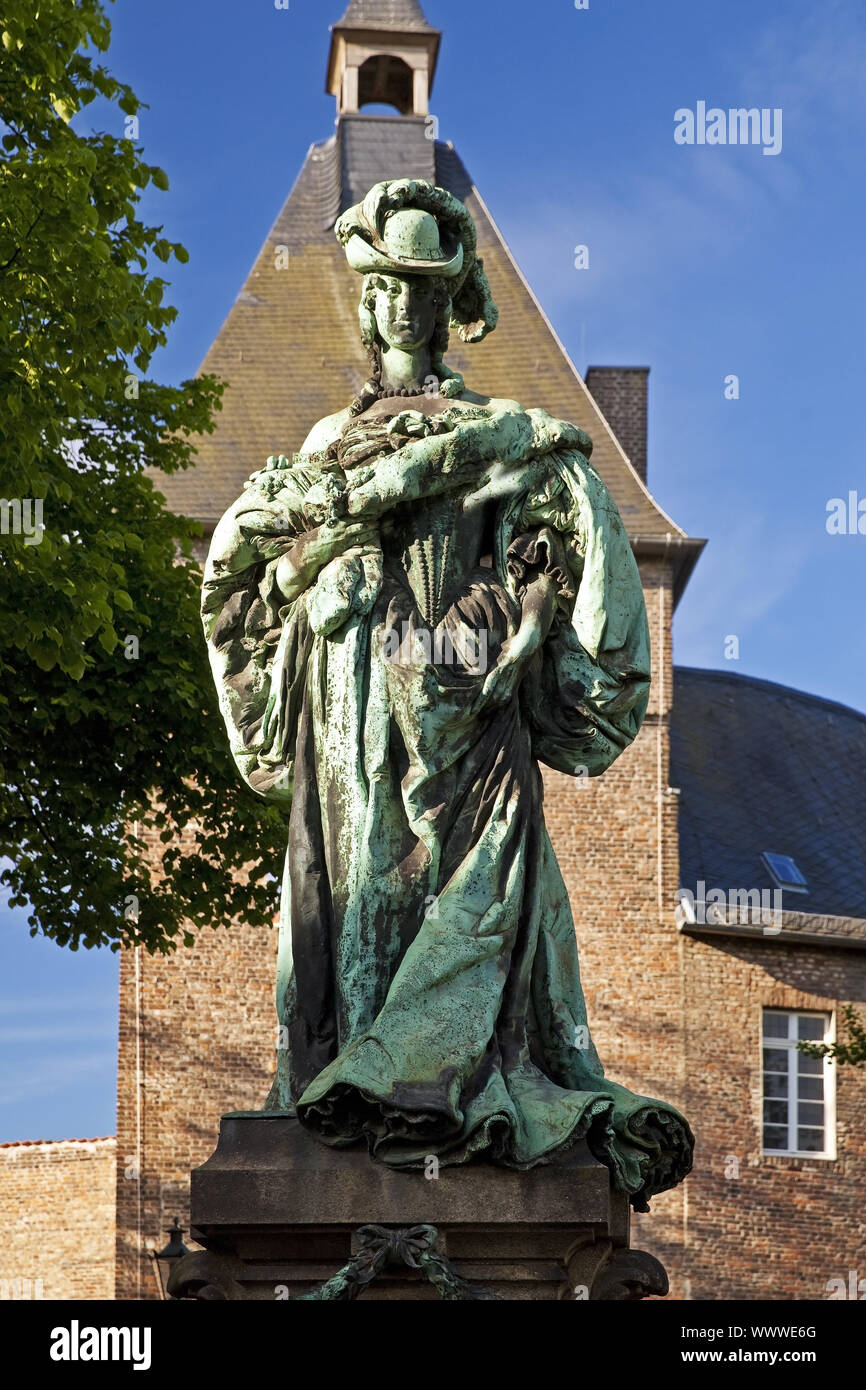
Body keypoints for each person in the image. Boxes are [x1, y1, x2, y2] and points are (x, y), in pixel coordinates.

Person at [202, 179, 693, 1209]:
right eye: (382, 286)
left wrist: (523, 616)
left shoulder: (496, 434)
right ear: (365, 298)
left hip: (468, 691)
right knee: (359, 888)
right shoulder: (325, 444)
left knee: (474, 884)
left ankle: (432, 1079)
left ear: (445, 303)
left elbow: (547, 548)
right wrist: (312, 569)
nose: (398, 306)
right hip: (351, 695)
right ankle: (351, 1078)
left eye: (419, 289)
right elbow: (263, 566)